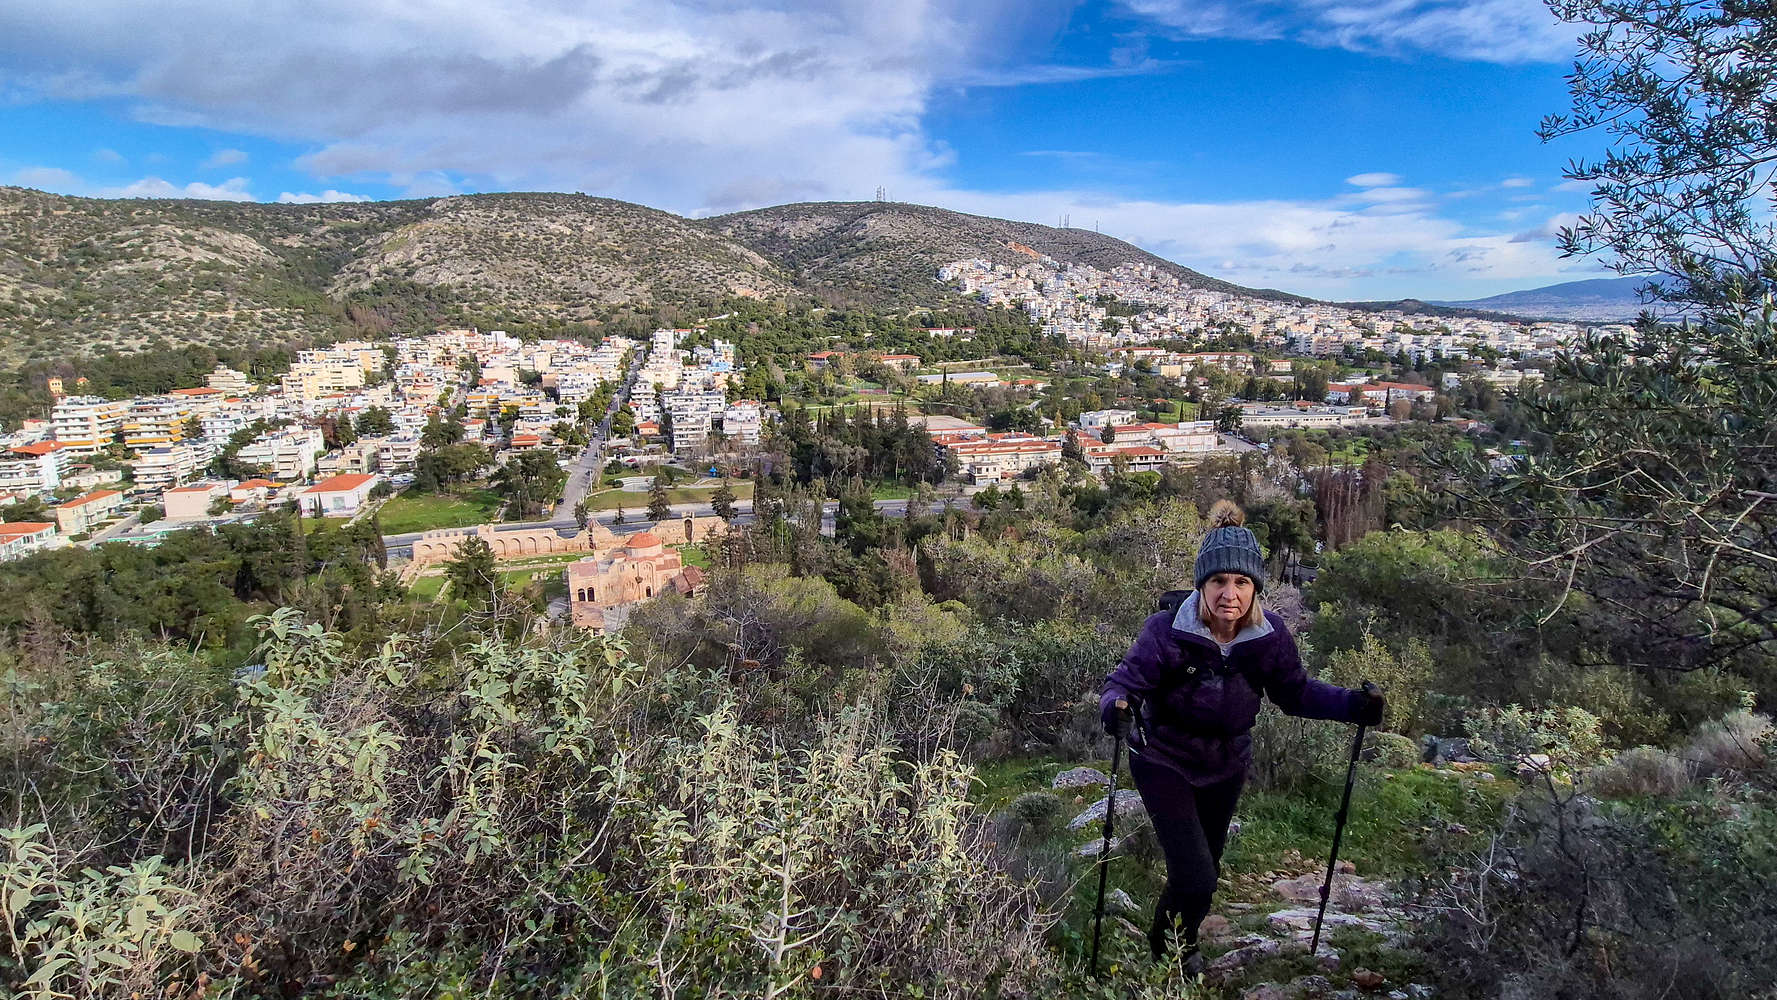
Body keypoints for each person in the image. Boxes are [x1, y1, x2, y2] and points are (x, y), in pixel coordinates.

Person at [1100, 500, 1383, 970]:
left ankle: (1179, 942)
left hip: (1226, 764)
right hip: (1164, 759)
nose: (1229, 593)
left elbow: (1295, 694)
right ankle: (1168, 953)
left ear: (1255, 587)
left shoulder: (1268, 636)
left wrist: (1353, 705)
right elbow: (1124, 683)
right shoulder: (1168, 631)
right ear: (1202, 584)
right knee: (1195, 877)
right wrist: (1117, 708)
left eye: (1241, 582)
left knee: (1204, 869)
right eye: (1218, 581)